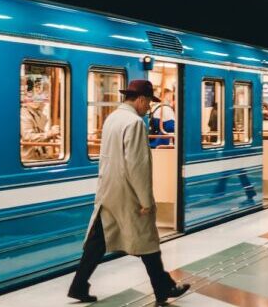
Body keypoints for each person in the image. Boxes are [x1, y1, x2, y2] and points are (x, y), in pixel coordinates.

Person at [67, 80, 189, 305]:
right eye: (149, 103)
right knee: (148, 242)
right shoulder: (134, 123)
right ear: (141, 99)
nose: (148, 108)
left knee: (98, 242)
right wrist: (146, 200)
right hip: (128, 193)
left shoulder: (112, 118)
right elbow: (137, 165)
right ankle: (163, 289)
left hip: (108, 190)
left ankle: (78, 285)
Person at [20, 82, 60, 161]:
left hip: (38, 155)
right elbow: (28, 137)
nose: (37, 99)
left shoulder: (37, 113)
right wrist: (50, 133)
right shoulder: (23, 113)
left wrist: (52, 136)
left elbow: (40, 135)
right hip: (28, 158)